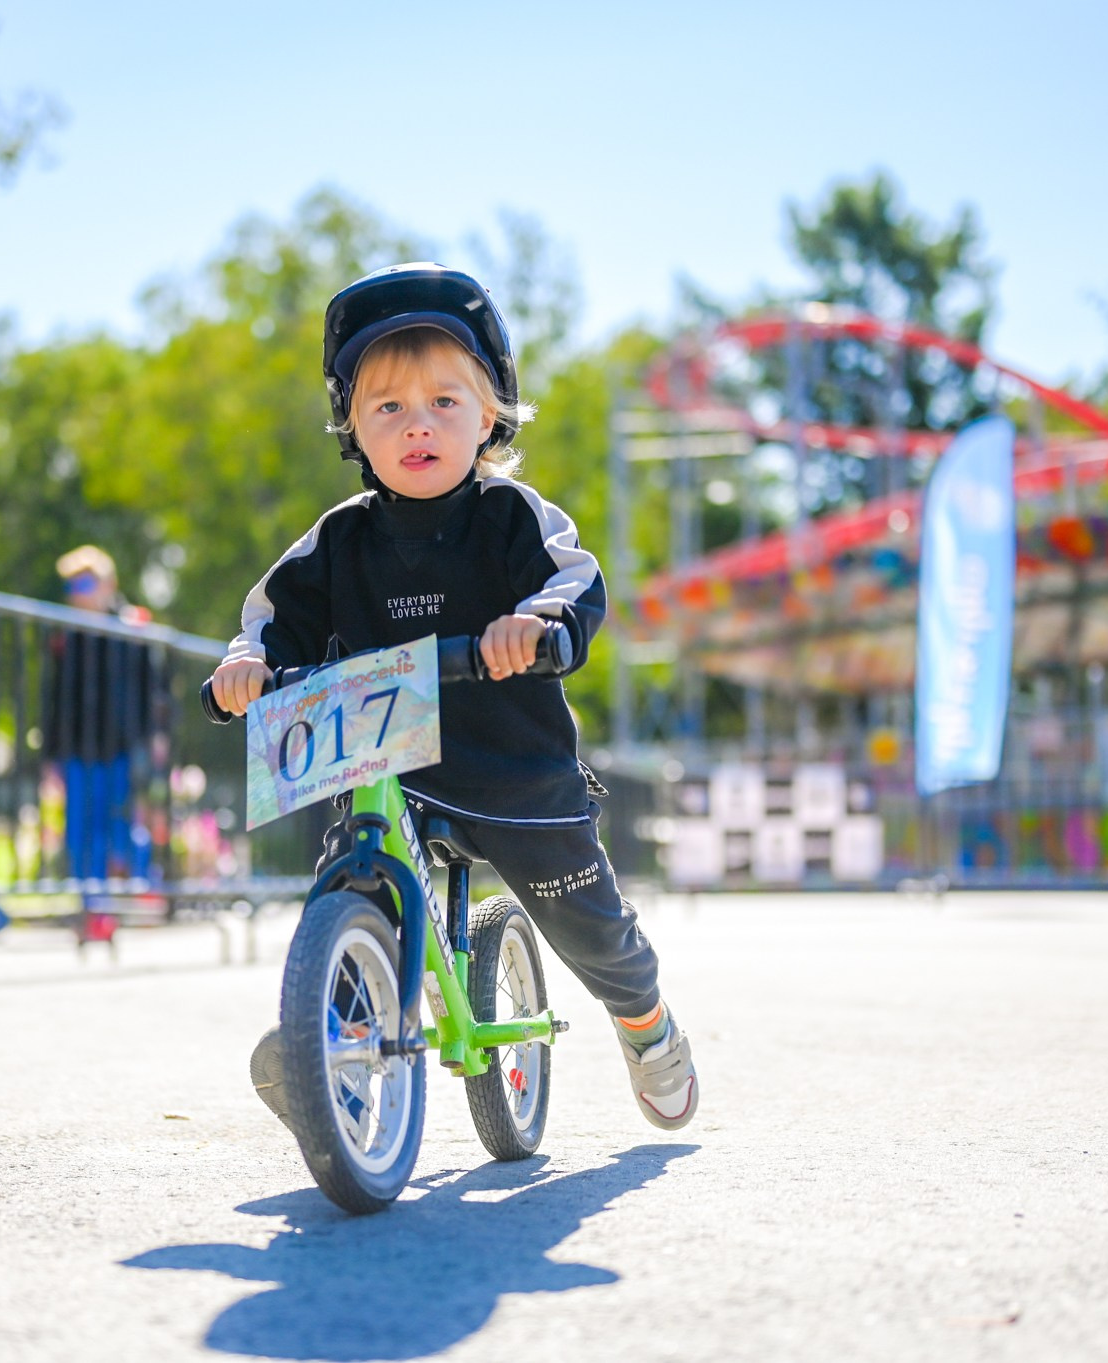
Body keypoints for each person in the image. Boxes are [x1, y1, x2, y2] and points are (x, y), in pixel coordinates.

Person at [208, 263, 698, 1130]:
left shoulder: (511, 515)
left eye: (445, 402)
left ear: (491, 417)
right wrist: (247, 664)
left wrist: (537, 624)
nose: (417, 426)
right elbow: (271, 619)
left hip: (513, 770)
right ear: (352, 425)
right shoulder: (338, 540)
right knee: (347, 887)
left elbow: (571, 583)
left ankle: (646, 1021)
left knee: (584, 920)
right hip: (387, 766)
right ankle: (329, 1039)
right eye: (387, 408)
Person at [49, 545, 162, 947]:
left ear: (108, 584)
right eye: (71, 585)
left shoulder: (133, 629)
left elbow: (154, 693)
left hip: (120, 750)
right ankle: (92, 912)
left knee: (119, 831)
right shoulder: (66, 635)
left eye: (84, 582)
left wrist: (155, 739)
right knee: (80, 835)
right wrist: (50, 756)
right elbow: (55, 699)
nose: (76, 592)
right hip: (78, 752)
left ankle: (129, 893)